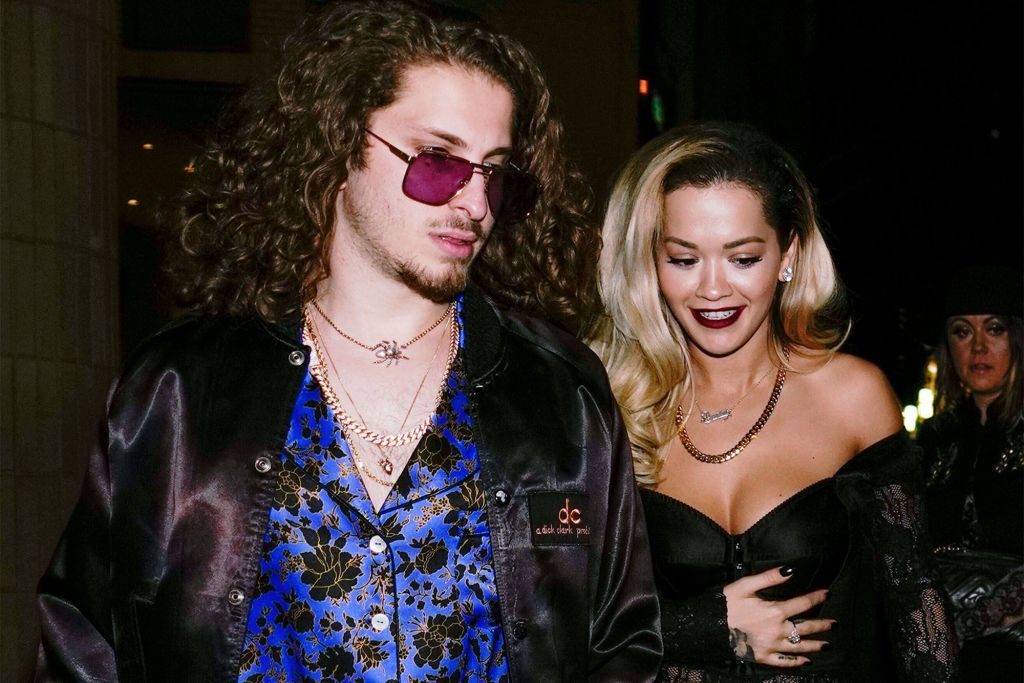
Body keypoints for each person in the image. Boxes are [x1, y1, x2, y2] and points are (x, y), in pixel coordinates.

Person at [35, 2, 662, 680]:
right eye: (437, 161)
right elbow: (85, 646)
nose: (475, 204)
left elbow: (621, 647)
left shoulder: (560, 394)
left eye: (494, 171)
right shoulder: (180, 391)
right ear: (340, 143)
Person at [589, 121, 958, 681]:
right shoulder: (611, 405)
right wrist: (707, 626)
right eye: (684, 260)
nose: (713, 289)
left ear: (788, 254)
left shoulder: (852, 397)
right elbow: (559, 619)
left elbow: (916, 609)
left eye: (742, 258)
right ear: (650, 265)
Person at [917, 265, 1023, 680]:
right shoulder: (932, 440)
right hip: (943, 663)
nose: (978, 346)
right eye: (962, 331)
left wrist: (961, 626)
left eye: (994, 329)